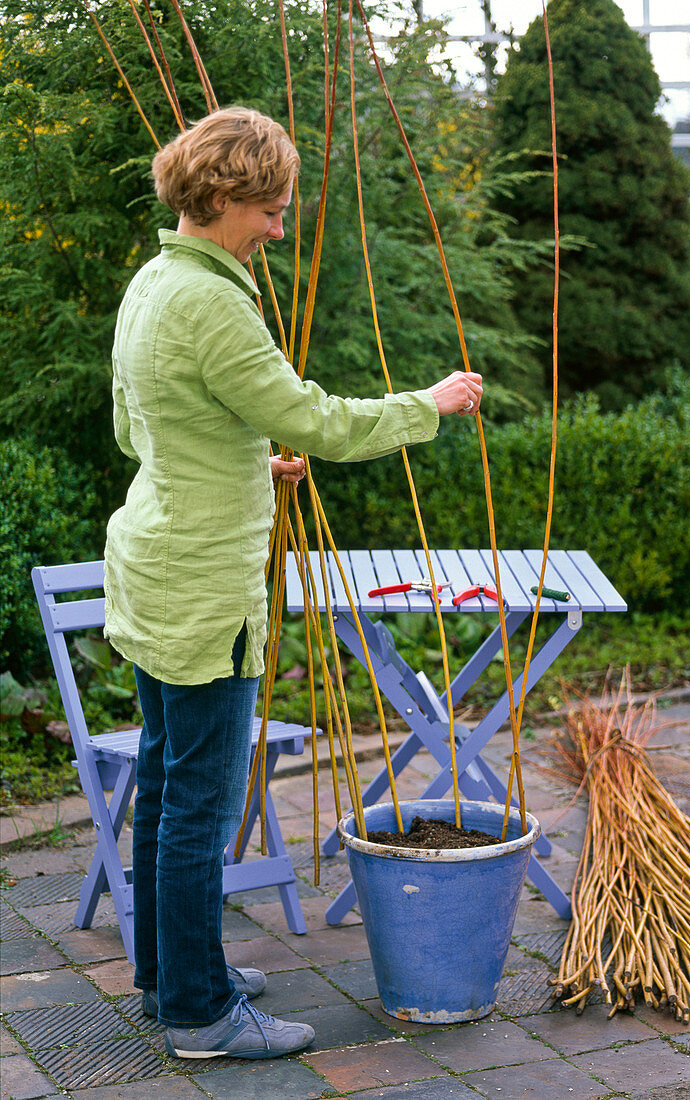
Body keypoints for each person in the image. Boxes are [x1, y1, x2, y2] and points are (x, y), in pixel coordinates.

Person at [103, 106, 482, 1062]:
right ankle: (200, 1017)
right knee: (200, 808)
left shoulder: (152, 284)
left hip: (153, 565)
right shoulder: (211, 301)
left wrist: (240, 466)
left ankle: (169, 974)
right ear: (223, 196)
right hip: (202, 586)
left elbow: (138, 429)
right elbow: (315, 419)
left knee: (165, 785)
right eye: (270, 208)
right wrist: (425, 405)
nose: (279, 226)